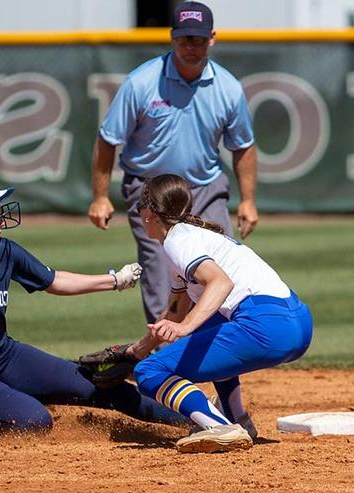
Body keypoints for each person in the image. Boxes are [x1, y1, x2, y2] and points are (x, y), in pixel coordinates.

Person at [0, 173, 188, 432]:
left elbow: (53, 280)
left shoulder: (2, 251)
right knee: (34, 420)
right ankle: (1, 403)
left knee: (100, 385)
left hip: (5, 357)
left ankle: (196, 418)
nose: (0, 217)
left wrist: (114, 280)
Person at [87, 1, 258, 325]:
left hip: (204, 186)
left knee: (220, 261)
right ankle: (166, 352)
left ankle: (218, 344)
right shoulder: (142, 82)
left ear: (212, 39)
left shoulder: (228, 88)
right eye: (184, 39)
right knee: (161, 267)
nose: (190, 47)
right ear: (172, 38)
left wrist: (248, 200)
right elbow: (109, 139)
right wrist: (99, 196)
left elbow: (244, 146)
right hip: (150, 188)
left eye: (197, 39)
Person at [123, 174, 312, 453]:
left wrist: (185, 327)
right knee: (206, 326)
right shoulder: (189, 237)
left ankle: (217, 426)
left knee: (150, 371)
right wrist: (138, 348)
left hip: (265, 326)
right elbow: (176, 309)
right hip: (296, 322)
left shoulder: (178, 242)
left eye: (140, 206)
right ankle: (237, 418)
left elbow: (221, 283)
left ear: (149, 213)